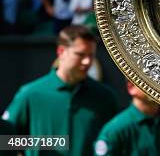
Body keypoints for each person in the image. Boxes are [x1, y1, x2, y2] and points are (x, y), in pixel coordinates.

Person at [2, 25, 118, 156]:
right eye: (80, 54)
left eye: (91, 55)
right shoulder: (30, 94)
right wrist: (46, 143)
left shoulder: (105, 97)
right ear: (61, 51)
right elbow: (6, 141)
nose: (87, 61)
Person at [94, 80, 160, 156]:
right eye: (148, 80)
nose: (155, 85)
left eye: (158, 80)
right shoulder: (115, 130)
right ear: (131, 87)